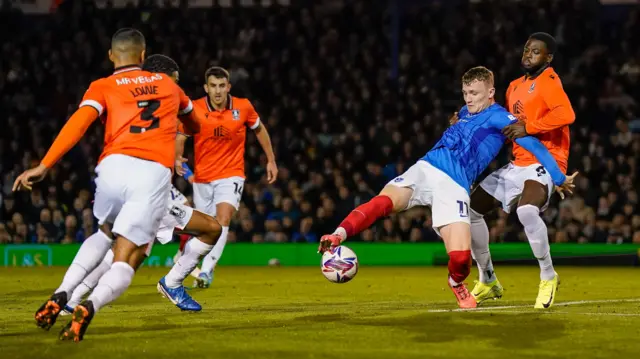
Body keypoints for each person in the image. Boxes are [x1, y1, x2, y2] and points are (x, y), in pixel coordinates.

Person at [318, 66, 575, 309]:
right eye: (465, 93)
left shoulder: (499, 116)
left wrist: (558, 176)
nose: (468, 98)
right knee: (383, 202)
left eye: (474, 93)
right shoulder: (464, 112)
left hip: (455, 185)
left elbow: (533, 144)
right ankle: (338, 234)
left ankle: (457, 282)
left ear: (490, 92)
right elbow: (461, 126)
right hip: (426, 167)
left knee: (461, 260)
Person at [16, 29, 200, 342]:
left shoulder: (103, 86)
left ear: (111, 55)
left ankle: (62, 292)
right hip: (153, 172)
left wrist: (45, 164)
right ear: (143, 57)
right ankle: (90, 304)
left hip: (115, 167)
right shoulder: (169, 85)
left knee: (103, 234)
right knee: (129, 255)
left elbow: (78, 122)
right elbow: (194, 124)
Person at [59, 55, 224, 315]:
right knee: (123, 257)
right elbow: (192, 126)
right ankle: (74, 300)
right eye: (175, 81)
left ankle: (72, 300)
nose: (177, 87)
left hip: (136, 189)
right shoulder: (165, 103)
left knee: (122, 255)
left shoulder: (131, 102)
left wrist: (177, 157)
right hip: (147, 193)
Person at [469, 33, 576, 309]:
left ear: (548, 58)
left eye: (536, 51)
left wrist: (528, 128)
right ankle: (487, 279)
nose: (528, 54)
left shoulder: (549, 81)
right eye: (527, 49)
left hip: (546, 162)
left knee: (526, 210)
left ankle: (548, 276)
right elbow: (506, 127)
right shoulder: (515, 86)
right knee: (469, 210)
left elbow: (566, 114)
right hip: (518, 163)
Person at [176, 67, 278, 288]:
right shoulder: (195, 108)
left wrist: (270, 159)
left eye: (222, 86)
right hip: (203, 178)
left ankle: (206, 271)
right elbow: (181, 135)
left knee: (223, 219)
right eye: (213, 86)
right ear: (206, 88)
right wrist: (177, 158)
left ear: (228, 87)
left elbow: (259, 130)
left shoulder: (243, 107)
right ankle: (183, 257)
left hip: (231, 175)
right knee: (205, 227)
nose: (218, 91)